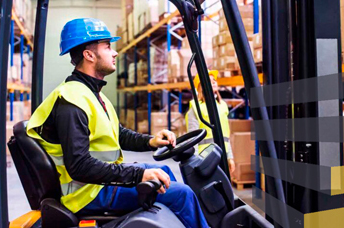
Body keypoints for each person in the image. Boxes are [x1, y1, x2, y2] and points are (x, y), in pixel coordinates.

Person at [26, 18, 209, 228]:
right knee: (182, 194)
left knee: (164, 174)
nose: (115, 53)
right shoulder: (71, 101)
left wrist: (151, 142)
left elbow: (118, 134)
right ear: (89, 55)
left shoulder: (92, 94)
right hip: (88, 193)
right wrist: (138, 174)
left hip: (98, 184)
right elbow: (79, 166)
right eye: (108, 47)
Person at [185, 70, 235, 174]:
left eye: (214, 80)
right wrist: (195, 162)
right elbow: (193, 139)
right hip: (205, 158)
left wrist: (230, 157)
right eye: (209, 80)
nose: (213, 82)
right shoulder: (195, 108)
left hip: (222, 155)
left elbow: (225, 136)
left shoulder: (222, 106)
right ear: (200, 86)